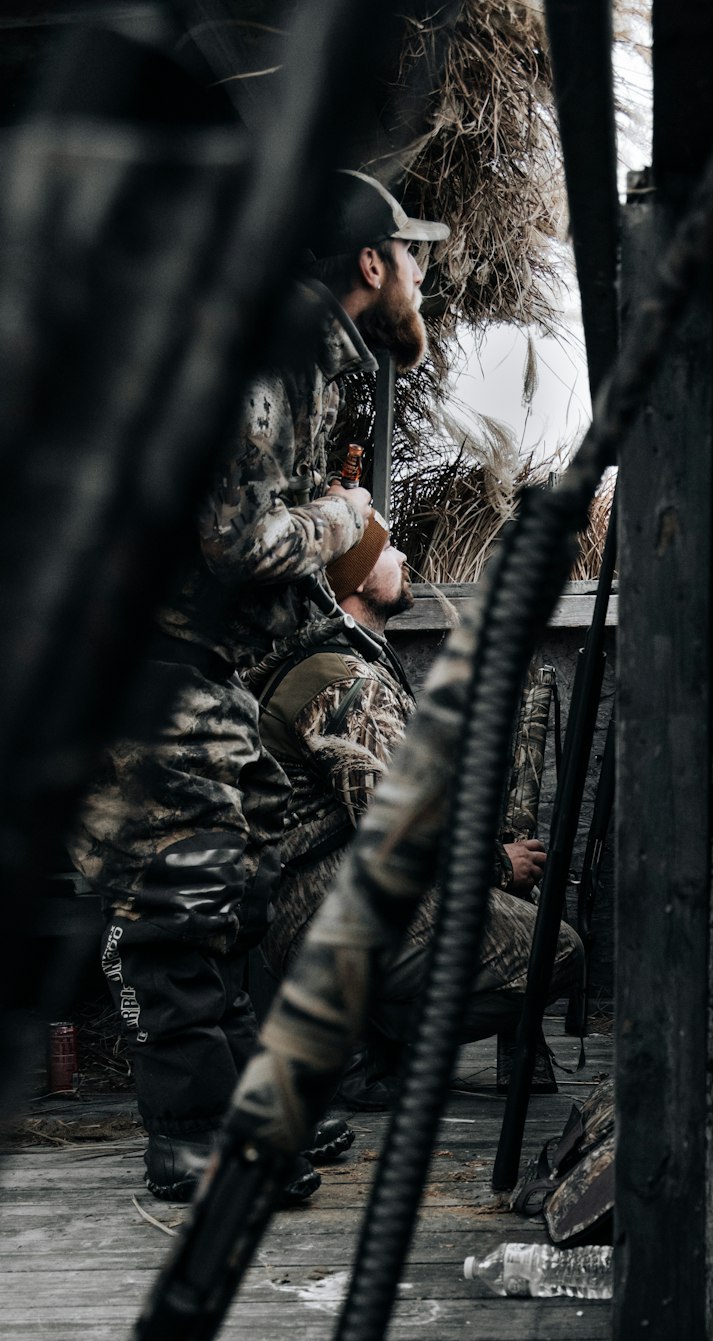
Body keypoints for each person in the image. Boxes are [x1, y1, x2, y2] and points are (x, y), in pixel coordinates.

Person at [69, 172, 450, 1197]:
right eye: (412, 253)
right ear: (372, 263)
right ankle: (195, 1140)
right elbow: (234, 539)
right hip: (137, 670)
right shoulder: (265, 354)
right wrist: (341, 519)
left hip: (192, 663)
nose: (421, 273)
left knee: (226, 895)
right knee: (179, 900)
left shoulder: (303, 354)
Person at [247, 513, 584, 1109]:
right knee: (558, 951)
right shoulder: (342, 678)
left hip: (318, 910)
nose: (402, 554)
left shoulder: (343, 661)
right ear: (350, 579)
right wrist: (500, 866)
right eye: (383, 547)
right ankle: (354, 1041)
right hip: (325, 918)